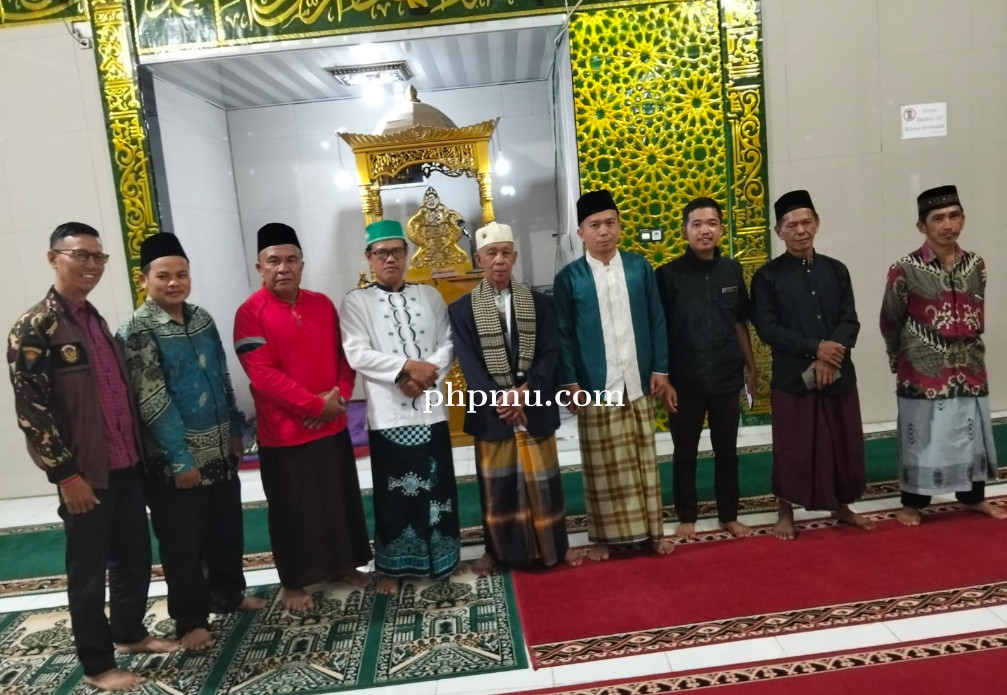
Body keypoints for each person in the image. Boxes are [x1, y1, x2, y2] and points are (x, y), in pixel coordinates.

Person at [7, 222, 177, 691]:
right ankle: (99, 665)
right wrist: (66, 476)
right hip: (85, 474)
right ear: (53, 258)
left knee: (134, 557)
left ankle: (130, 633)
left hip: (125, 462)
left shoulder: (95, 320)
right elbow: (32, 412)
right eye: (80, 255)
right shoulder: (35, 328)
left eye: (98, 257)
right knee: (87, 573)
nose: (91, 265)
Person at [117, 233, 265, 651]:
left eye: (181, 274)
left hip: (219, 448)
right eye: (163, 275)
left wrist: (235, 428)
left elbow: (222, 376)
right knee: (183, 544)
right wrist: (181, 459)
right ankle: (190, 620)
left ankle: (228, 594)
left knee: (225, 530)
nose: (174, 283)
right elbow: (151, 399)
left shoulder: (202, 319)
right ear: (144, 279)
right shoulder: (137, 330)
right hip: (174, 461)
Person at [233, 223, 371, 612]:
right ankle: (294, 581)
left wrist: (339, 396)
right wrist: (314, 406)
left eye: (291, 259)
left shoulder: (322, 304)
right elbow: (262, 375)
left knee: (337, 499)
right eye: (273, 261)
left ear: (302, 264)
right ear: (259, 267)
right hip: (285, 433)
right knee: (292, 509)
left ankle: (344, 565)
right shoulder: (249, 314)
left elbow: (345, 358)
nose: (283, 268)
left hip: (332, 424)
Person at [448, 222, 581, 575]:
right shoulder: (461, 310)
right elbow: (469, 364)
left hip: (534, 403)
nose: (499, 260)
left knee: (545, 483)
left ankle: (555, 546)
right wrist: (502, 399)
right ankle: (496, 551)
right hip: (492, 411)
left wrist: (527, 392)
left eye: (506, 253)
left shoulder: (540, 303)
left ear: (515, 257)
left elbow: (550, 352)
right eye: (491, 253)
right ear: (478, 259)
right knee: (498, 488)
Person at [340, 219, 462, 594]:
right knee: (395, 493)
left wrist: (424, 377)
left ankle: (443, 558)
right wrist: (406, 369)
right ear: (369, 257)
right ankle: (394, 567)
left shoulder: (429, 296)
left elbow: (449, 342)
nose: (390, 259)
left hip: (431, 408)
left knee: (438, 489)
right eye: (381, 253)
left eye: (396, 251)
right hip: (388, 414)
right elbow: (357, 352)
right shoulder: (356, 302)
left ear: (407, 254)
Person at [553, 190, 675, 561]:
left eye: (610, 223)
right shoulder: (570, 278)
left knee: (642, 460)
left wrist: (661, 369)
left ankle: (653, 533)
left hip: (637, 378)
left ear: (620, 227)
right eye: (595, 225)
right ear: (581, 233)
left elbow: (657, 319)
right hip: (594, 384)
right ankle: (603, 538)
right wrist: (570, 382)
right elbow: (563, 334)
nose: (603, 231)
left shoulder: (639, 268)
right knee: (602, 467)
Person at [751, 190, 875, 540]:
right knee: (793, 446)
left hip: (837, 372)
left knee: (842, 443)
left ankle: (842, 505)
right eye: (791, 225)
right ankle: (785, 510)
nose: (800, 230)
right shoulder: (767, 277)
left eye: (806, 222)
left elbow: (849, 320)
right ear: (778, 232)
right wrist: (815, 349)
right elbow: (768, 328)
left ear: (817, 224)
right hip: (793, 379)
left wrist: (830, 356)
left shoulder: (836, 270)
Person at [880, 185, 1005, 526]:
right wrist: (897, 358)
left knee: (969, 434)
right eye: (938, 218)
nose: (947, 225)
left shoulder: (976, 264)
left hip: (969, 367)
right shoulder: (904, 268)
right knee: (922, 438)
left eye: (954, 216)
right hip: (922, 370)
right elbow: (890, 318)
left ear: (963, 219)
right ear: (922, 226)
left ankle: (973, 497)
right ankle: (913, 504)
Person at [656, 198, 757, 540]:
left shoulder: (731, 270)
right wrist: (664, 378)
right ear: (684, 231)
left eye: (711, 223)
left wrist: (751, 368)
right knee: (685, 452)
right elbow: (659, 332)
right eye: (697, 224)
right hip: (684, 381)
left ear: (721, 229)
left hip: (726, 377)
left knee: (727, 451)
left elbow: (739, 323)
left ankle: (729, 515)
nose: (705, 230)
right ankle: (687, 515)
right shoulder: (667, 275)